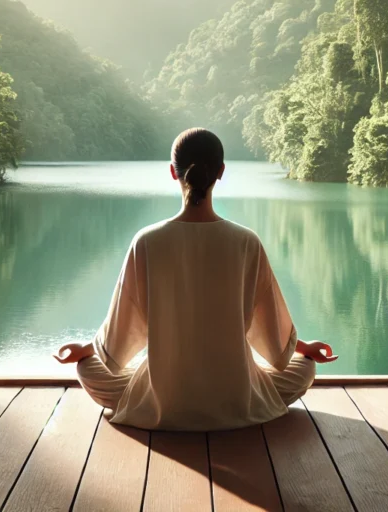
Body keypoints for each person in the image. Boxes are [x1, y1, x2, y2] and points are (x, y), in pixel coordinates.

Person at [54, 127, 337, 431]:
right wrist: (304, 349)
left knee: (87, 370)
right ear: (221, 172)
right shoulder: (245, 242)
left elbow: (119, 333)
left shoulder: (147, 241)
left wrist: (87, 350)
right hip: (236, 396)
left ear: (173, 173)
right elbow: (272, 331)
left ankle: (169, 409)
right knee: (304, 369)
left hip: (163, 399)